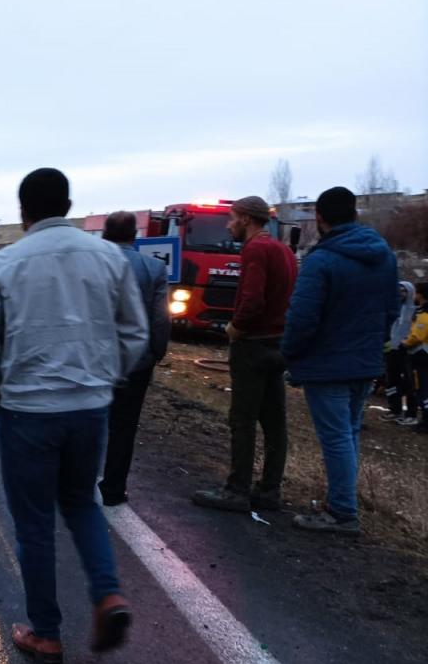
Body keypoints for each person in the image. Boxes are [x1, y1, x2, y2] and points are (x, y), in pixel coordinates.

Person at [0, 168, 148, 664]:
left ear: (23, 210)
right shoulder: (110, 257)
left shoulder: (2, 264)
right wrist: (106, 379)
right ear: (68, 205)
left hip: (27, 410)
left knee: (33, 523)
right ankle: (107, 593)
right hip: (89, 408)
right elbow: (135, 334)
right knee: (82, 503)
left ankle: (46, 632)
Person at [281, 186, 400, 534]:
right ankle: (342, 501)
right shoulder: (385, 256)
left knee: (336, 438)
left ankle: (342, 512)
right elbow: (392, 309)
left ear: (319, 217)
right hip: (365, 363)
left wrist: (290, 353)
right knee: (347, 434)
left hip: (328, 365)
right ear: (355, 214)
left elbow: (302, 317)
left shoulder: (321, 260)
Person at [193, 196, 298, 513]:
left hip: (252, 346)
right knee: (274, 422)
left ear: (247, 220)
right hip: (277, 343)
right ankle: (269, 490)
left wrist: (235, 329)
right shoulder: (284, 251)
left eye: (232, 218)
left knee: (242, 420)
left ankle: (236, 490)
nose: (228, 224)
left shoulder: (255, 249)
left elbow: (252, 300)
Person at [99, 211, 170, 506]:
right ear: (134, 235)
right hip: (136, 361)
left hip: (92, 360)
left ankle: (71, 483)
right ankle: (114, 489)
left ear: (105, 234)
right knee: (124, 427)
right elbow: (160, 317)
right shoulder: (153, 268)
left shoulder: (89, 265)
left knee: (84, 419)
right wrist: (156, 351)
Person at [382, 280, 420, 424]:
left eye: (403, 291)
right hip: (392, 348)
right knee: (391, 380)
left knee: (409, 383)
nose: (400, 294)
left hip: (408, 350)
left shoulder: (416, 310)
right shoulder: (394, 308)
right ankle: (394, 409)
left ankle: (411, 413)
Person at [399, 282, 428, 434]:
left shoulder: (424, 314)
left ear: (420, 294)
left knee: (422, 388)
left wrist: (404, 342)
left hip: (421, 356)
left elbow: (417, 336)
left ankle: (426, 421)